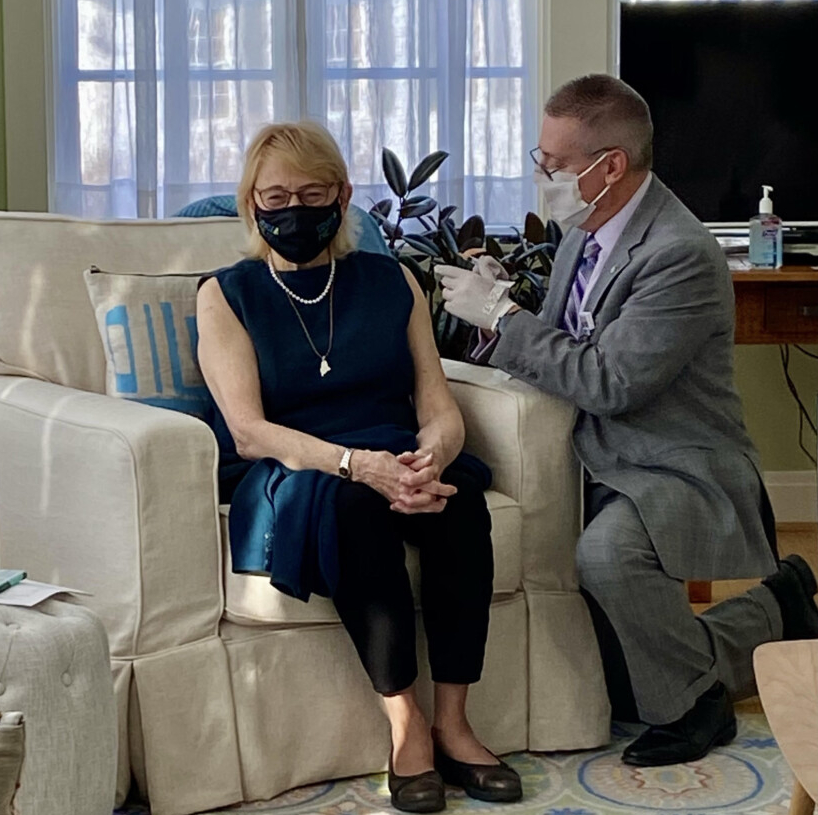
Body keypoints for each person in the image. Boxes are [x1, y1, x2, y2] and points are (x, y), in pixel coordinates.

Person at [438, 74, 818, 768]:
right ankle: (777, 610)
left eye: (554, 164)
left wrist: (504, 317)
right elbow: (566, 344)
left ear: (610, 166)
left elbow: (609, 381)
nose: (542, 175)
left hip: (670, 460)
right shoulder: (584, 232)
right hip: (592, 452)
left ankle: (695, 707)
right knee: (616, 680)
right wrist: (503, 304)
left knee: (606, 558)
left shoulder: (678, 253)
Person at [195, 121, 523, 810]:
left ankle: (455, 723)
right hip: (294, 465)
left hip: (392, 451)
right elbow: (249, 432)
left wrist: (429, 457)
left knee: (458, 501)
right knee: (352, 508)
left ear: (343, 197)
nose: (294, 210)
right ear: (251, 202)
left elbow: (437, 403)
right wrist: (356, 466)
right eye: (276, 197)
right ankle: (406, 726)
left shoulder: (391, 280)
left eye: (312, 195)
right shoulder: (226, 295)